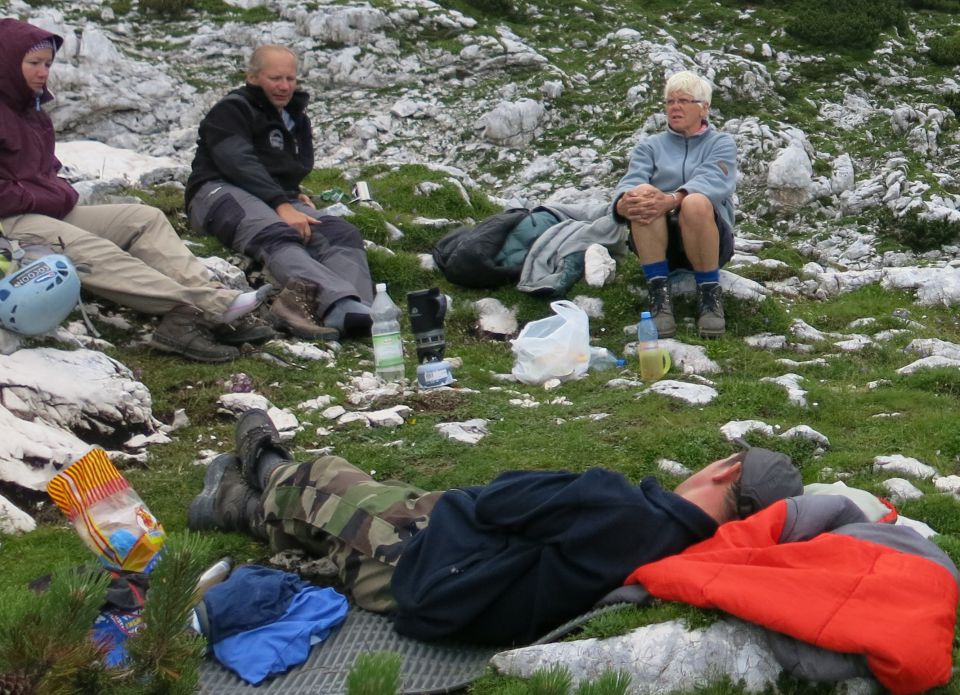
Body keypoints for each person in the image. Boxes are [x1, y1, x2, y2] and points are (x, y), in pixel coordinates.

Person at [188, 409, 803, 646]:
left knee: (323, 476)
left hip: (422, 565)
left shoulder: (624, 508)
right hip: (469, 583)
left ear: (724, 469)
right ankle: (244, 497)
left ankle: (253, 482)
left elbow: (502, 499)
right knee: (366, 498)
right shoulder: (683, 551)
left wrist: (576, 481)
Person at [0, 19, 274, 362]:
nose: (43, 72)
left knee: (143, 217)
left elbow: (43, 171)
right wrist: (46, 194)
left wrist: (51, 192)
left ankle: (210, 298)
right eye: (34, 64)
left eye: (48, 64)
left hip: (44, 210)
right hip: (9, 224)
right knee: (92, 248)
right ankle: (198, 309)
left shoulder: (31, 109)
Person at [186, 45, 375, 342]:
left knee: (340, 232)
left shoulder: (294, 117)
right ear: (252, 77)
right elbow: (237, 162)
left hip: (268, 195)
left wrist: (290, 193)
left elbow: (284, 166)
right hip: (216, 191)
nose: (284, 86)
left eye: (290, 78)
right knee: (277, 231)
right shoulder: (231, 109)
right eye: (275, 78)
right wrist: (281, 204)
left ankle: (359, 309)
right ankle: (335, 303)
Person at [612, 70, 737, 339]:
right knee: (642, 193)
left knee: (694, 202)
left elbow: (714, 179)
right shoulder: (650, 146)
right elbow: (631, 180)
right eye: (670, 102)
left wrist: (670, 200)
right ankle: (659, 297)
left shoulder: (721, 143)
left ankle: (709, 297)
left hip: (709, 241)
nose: (675, 107)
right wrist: (624, 205)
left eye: (683, 101)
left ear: (704, 108)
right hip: (659, 242)